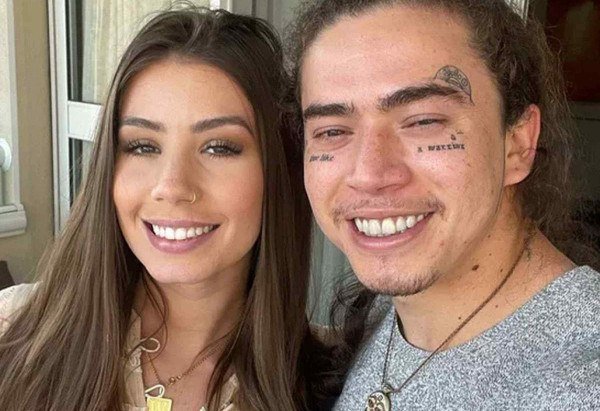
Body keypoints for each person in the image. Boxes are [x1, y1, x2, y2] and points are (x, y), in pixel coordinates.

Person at [0, 6, 320, 411]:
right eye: (142, 146)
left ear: (280, 169)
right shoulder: (12, 332)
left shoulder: (334, 383)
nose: (171, 187)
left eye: (219, 147)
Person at [287, 0, 600, 409]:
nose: (369, 174)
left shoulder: (581, 382)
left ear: (518, 144)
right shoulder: (389, 313)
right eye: (332, 131)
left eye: (424, 121)